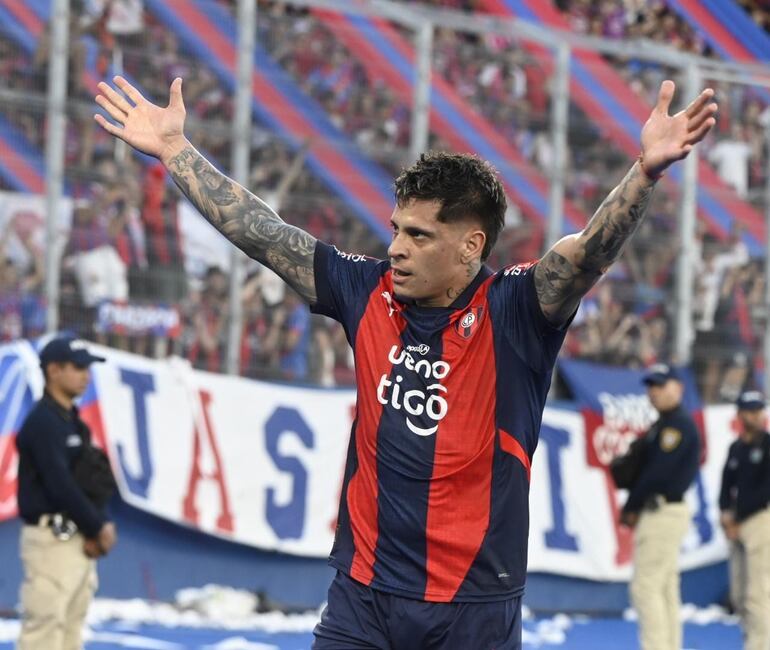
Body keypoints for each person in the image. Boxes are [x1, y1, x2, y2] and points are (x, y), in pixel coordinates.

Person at [94, 74, 716, 649]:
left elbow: (585, 256)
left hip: (472, 606)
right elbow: (263, 232)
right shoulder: (366, 291)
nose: (395, 248)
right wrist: (175, 150)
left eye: (418, 236)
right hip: (363, 595)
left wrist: (644, 173)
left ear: (471, 246)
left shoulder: (515, 312)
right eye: (396, 228)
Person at [15, 335, 118, 650]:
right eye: (78, 367)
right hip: (51, 539)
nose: (86, 375)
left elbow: (90, 481)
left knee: (71, 631)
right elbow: (59, 484)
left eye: (87, 368)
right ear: (54, 371)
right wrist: (97, 526)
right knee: (45, 630)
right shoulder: (43, 422)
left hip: (77, 540)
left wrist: (98, 522)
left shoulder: (72, 421)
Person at [619, 363, 701, 650]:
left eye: (660, 385)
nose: (653, 391)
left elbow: (657, 474)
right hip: (664, 511)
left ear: (678, 388)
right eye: (651, 386)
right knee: (665, 588)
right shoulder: (662, 425)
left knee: (645, 587)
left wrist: (631, 506)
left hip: (661, 511)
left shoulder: (676, 426)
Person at [719, 390, 770, 650]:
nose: (756, 416)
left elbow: (765, 489)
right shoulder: (736, 448)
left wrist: (737, 517)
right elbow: (725, 485)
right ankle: (750, 641)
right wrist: (725, 512)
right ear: (740, 414)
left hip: (760, 519)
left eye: (759, 410)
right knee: (739, 595)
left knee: (757, 593)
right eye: (750, 411)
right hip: (736, 524)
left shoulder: (768, 445)